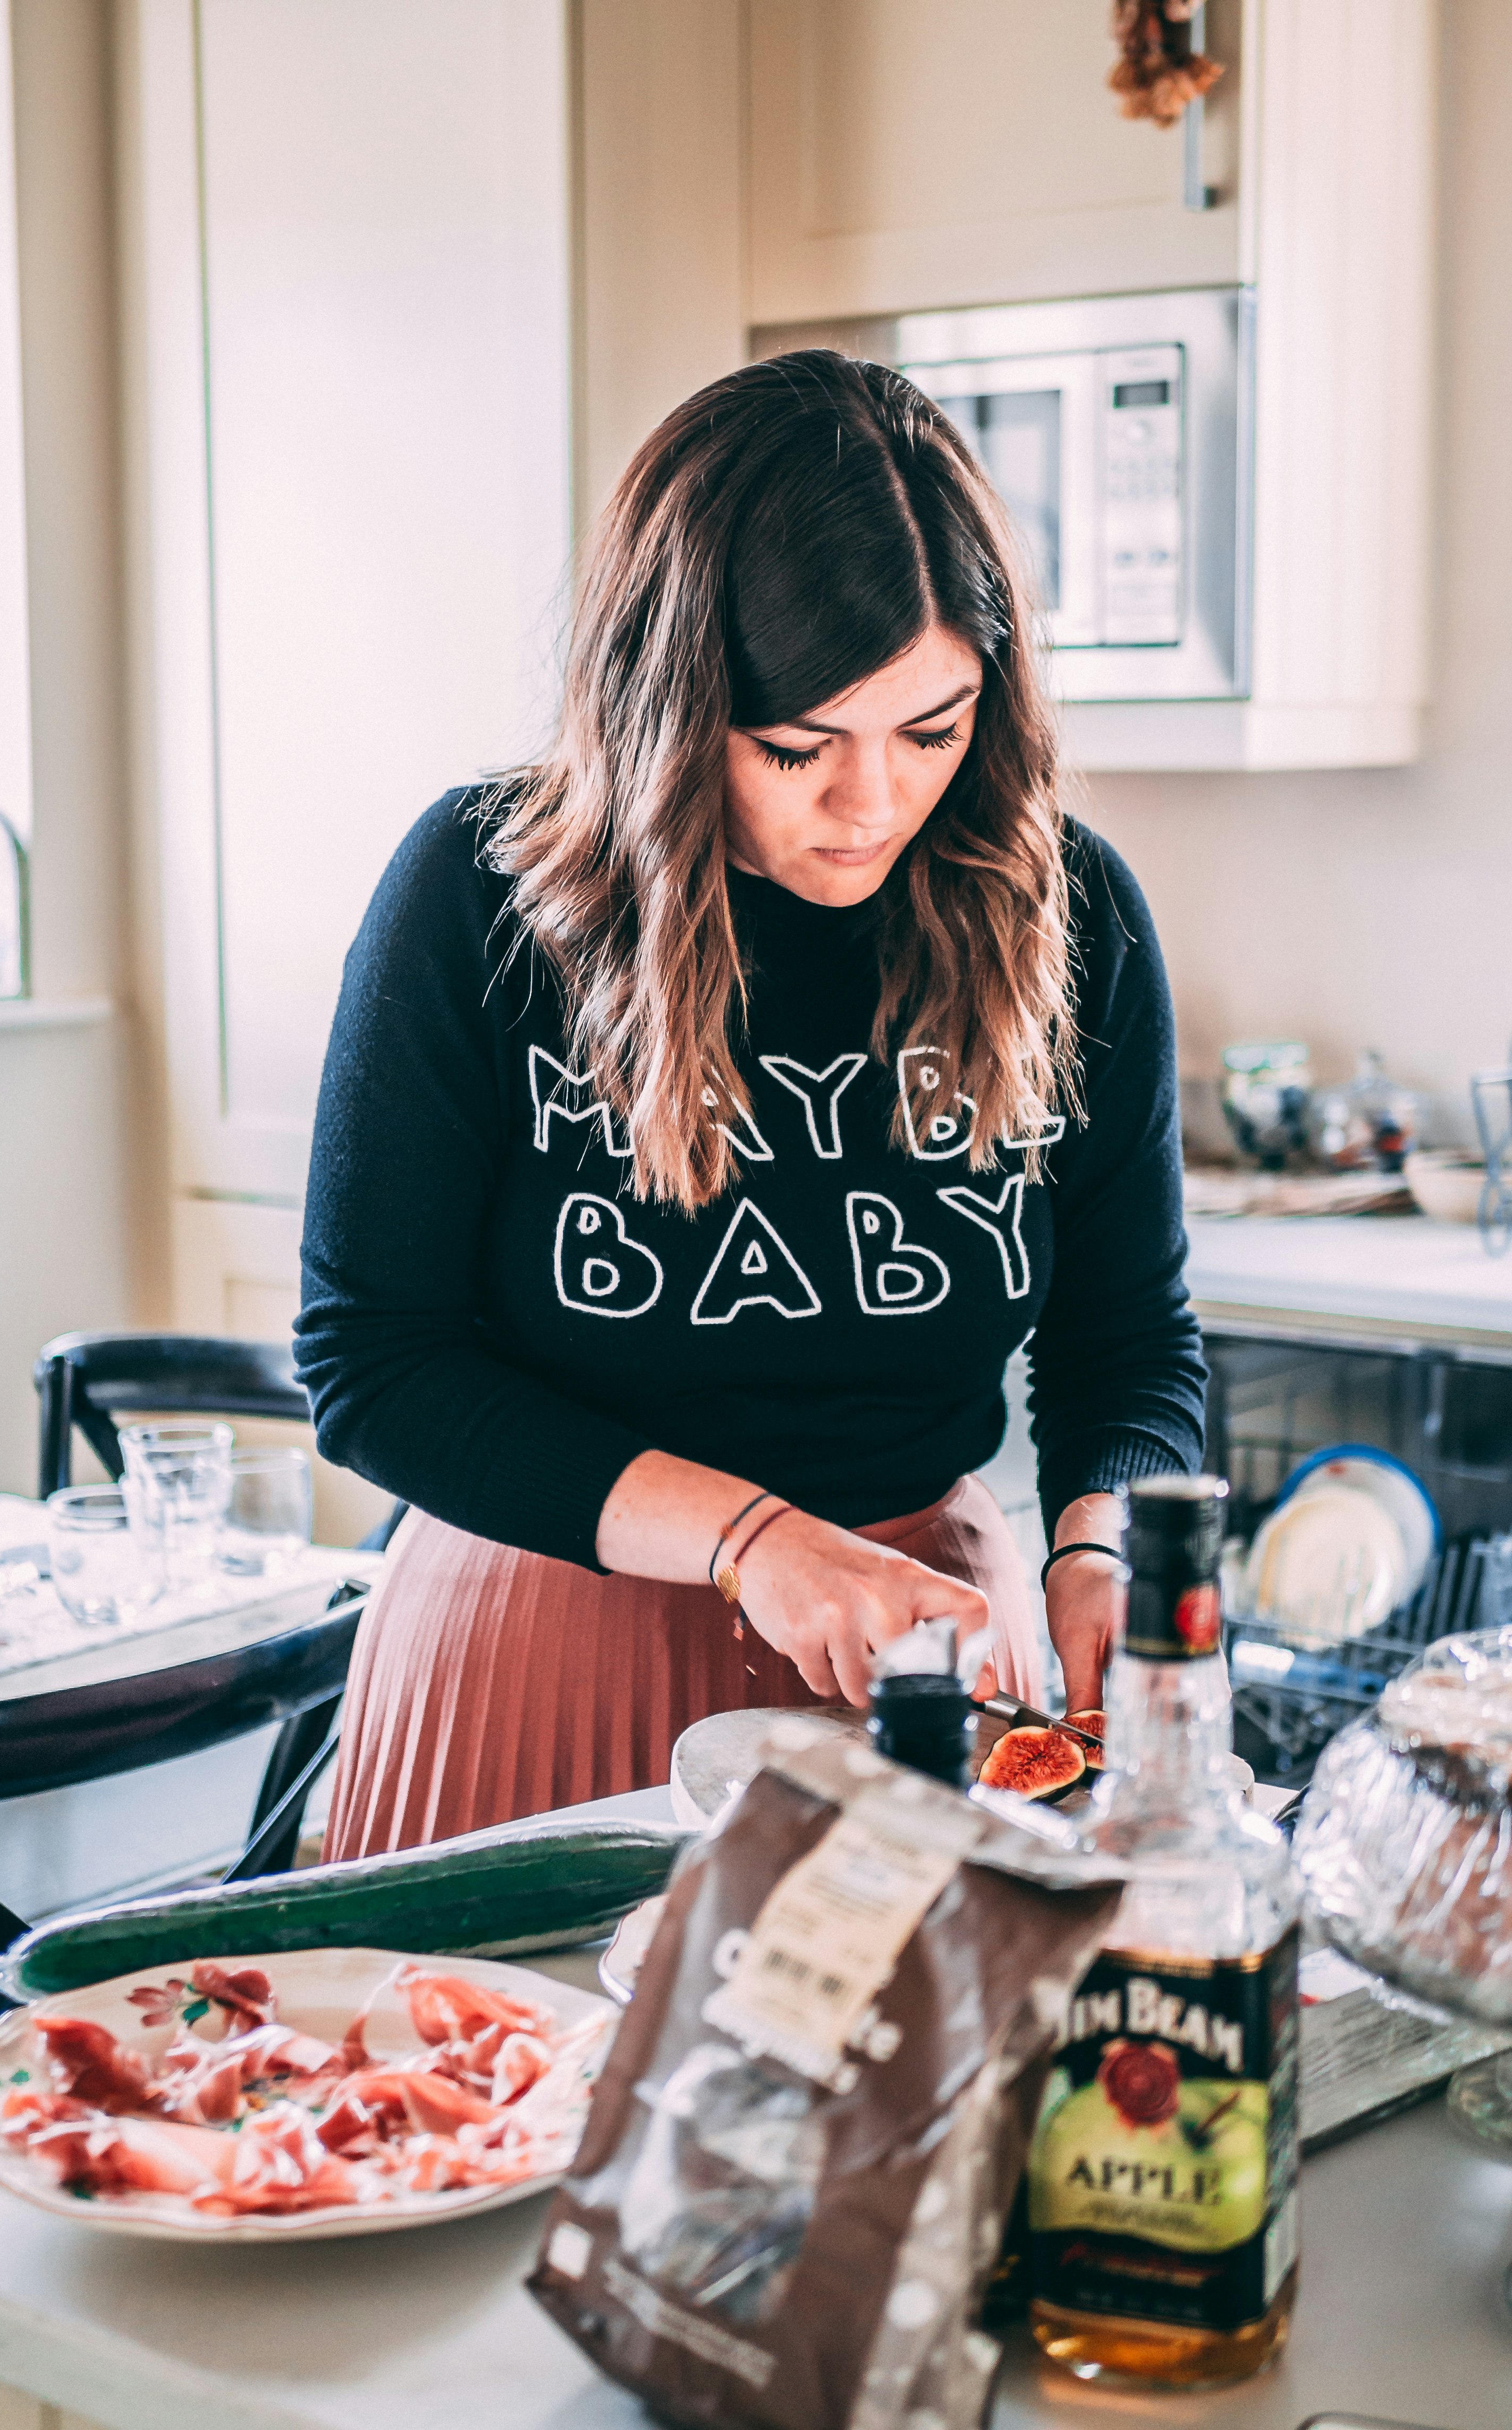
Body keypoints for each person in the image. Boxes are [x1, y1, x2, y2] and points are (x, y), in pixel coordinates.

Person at [296, 351, 1206, 1856]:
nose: (874, 807)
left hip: (919, 1668)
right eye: (799, 748)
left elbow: (1132, 1342)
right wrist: (752, 1540)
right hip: (544, 1639)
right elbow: (371, 1363)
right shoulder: (483, 896)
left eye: (934, 729)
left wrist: (1102, 1542)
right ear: (671, 704)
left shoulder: (1070, 911)